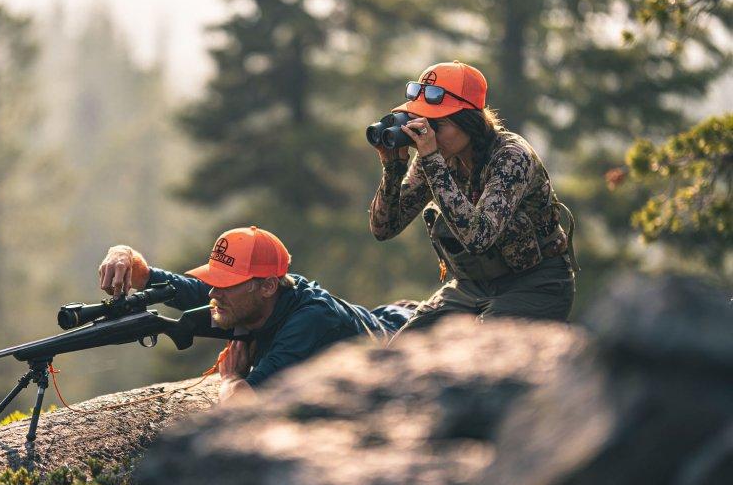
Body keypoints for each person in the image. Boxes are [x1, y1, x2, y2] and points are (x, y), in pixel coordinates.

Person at [369, 61, 578, 330]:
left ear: (469, 122)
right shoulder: (435, 156)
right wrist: (393, 168)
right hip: (471, 286)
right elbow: (384, 229)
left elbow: (478, 238)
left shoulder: (511, 157)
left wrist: (432, 160)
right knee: (405, 345)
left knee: (478, 347)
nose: (428, 134)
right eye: (422, 121)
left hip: (535, 283)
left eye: (437, 124)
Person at [97, 226, 410, 404]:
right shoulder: (245, 298)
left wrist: (231, 378)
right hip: (382, 316)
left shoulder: (310, 320)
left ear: (268, 286)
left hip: (409, 332)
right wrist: (121, 253)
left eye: (226, 283)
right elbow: (149, 277)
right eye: (213, 280)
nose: (213, 293)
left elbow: (240, 404)